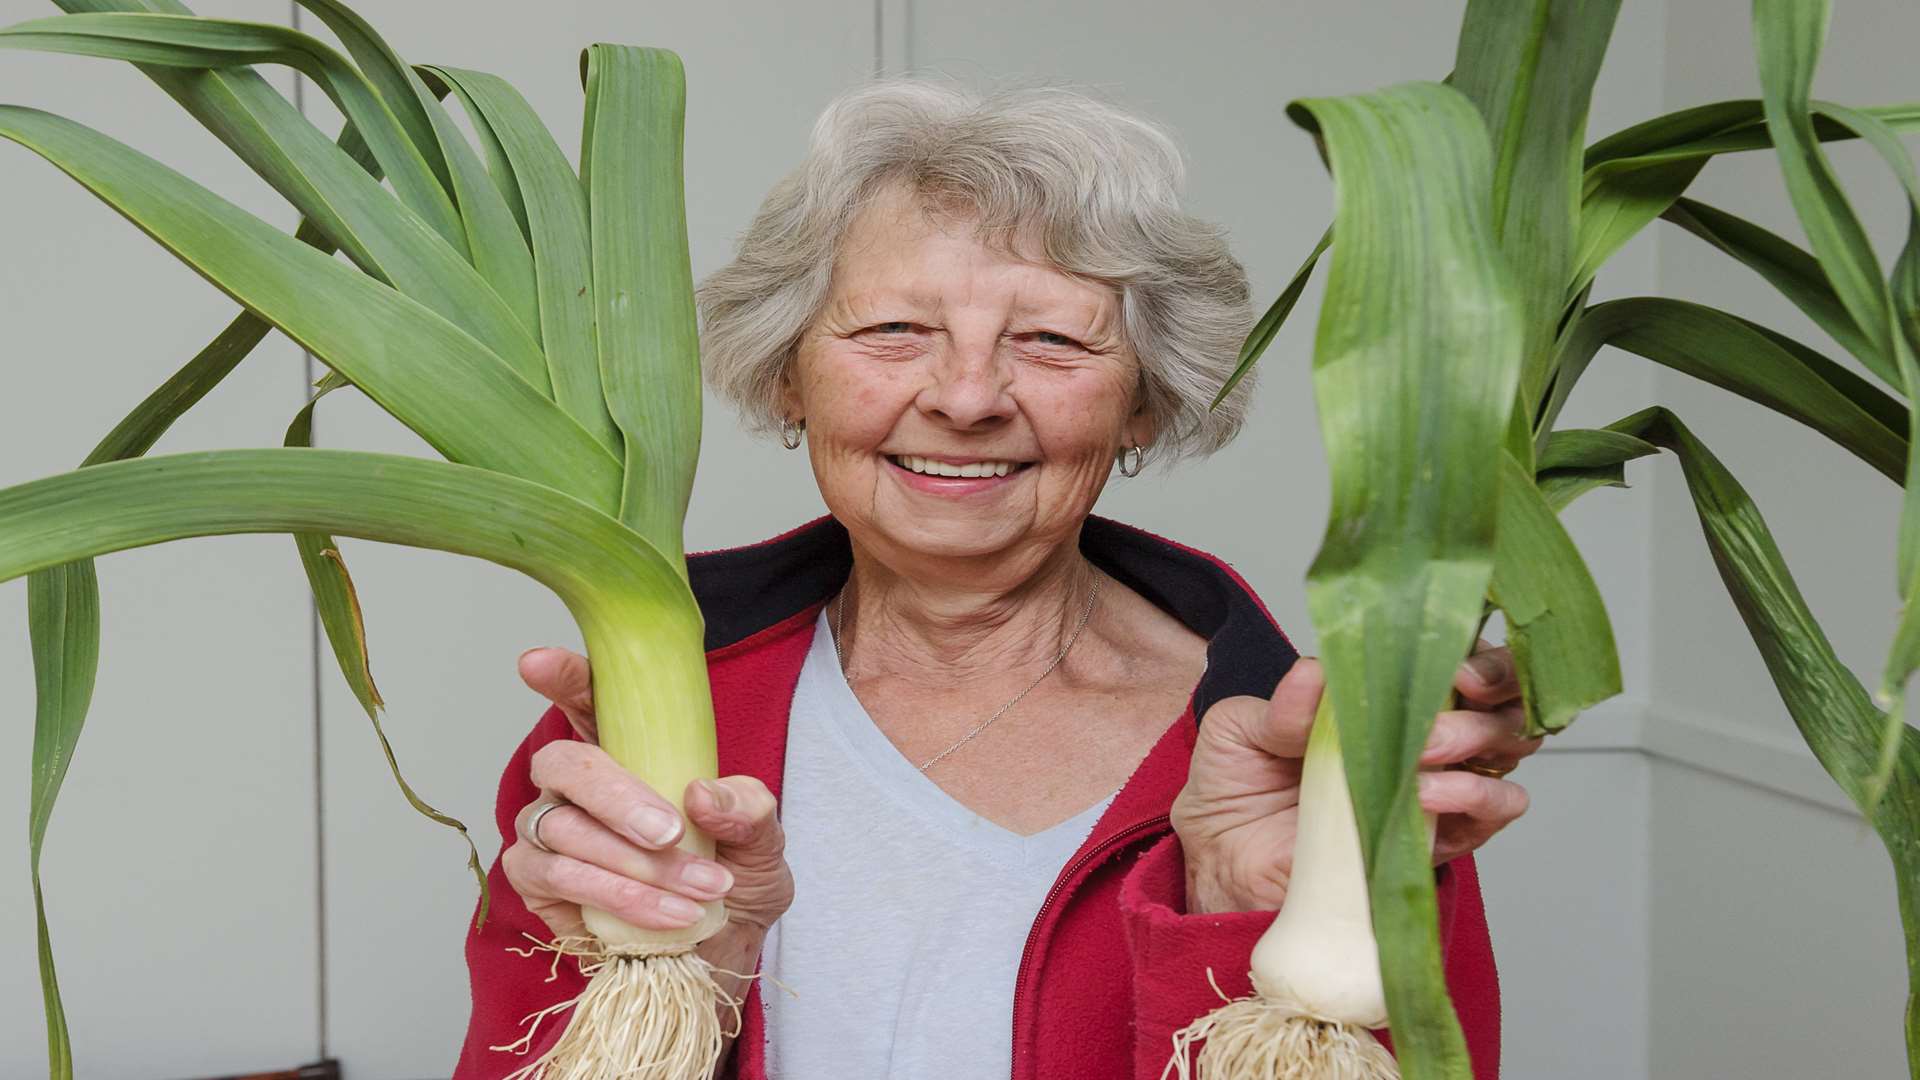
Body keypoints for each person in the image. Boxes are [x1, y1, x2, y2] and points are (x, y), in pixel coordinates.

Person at [453, 79, 1535, 1080]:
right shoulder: (631, 731)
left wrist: (1239, 909)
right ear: (788, 377)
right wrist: (702, 966)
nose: (967, 397)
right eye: (893, 330)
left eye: (1054, 341)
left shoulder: (1311, 770)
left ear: (1146, 404)